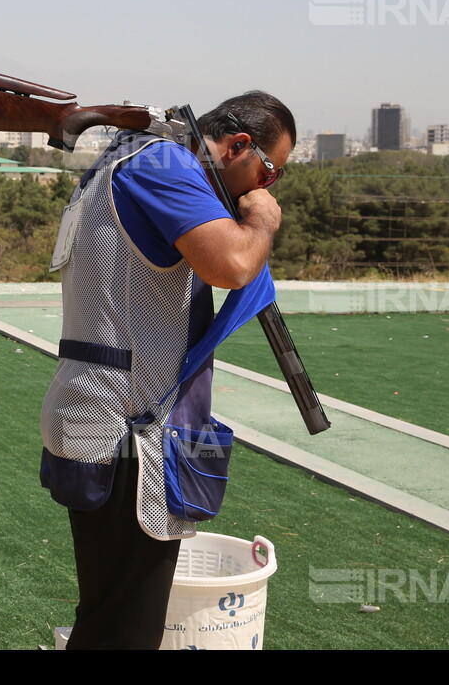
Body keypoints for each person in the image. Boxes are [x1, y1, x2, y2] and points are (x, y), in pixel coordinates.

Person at [39, 91, 294, 650]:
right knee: (124, 631)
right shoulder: (163, 162)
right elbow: (231, 264)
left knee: (109, 618)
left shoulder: (137, 157)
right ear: (239, 145)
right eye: (268, 172)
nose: (264, 188)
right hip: (126, 430)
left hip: (107, 418)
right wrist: (262, 221)